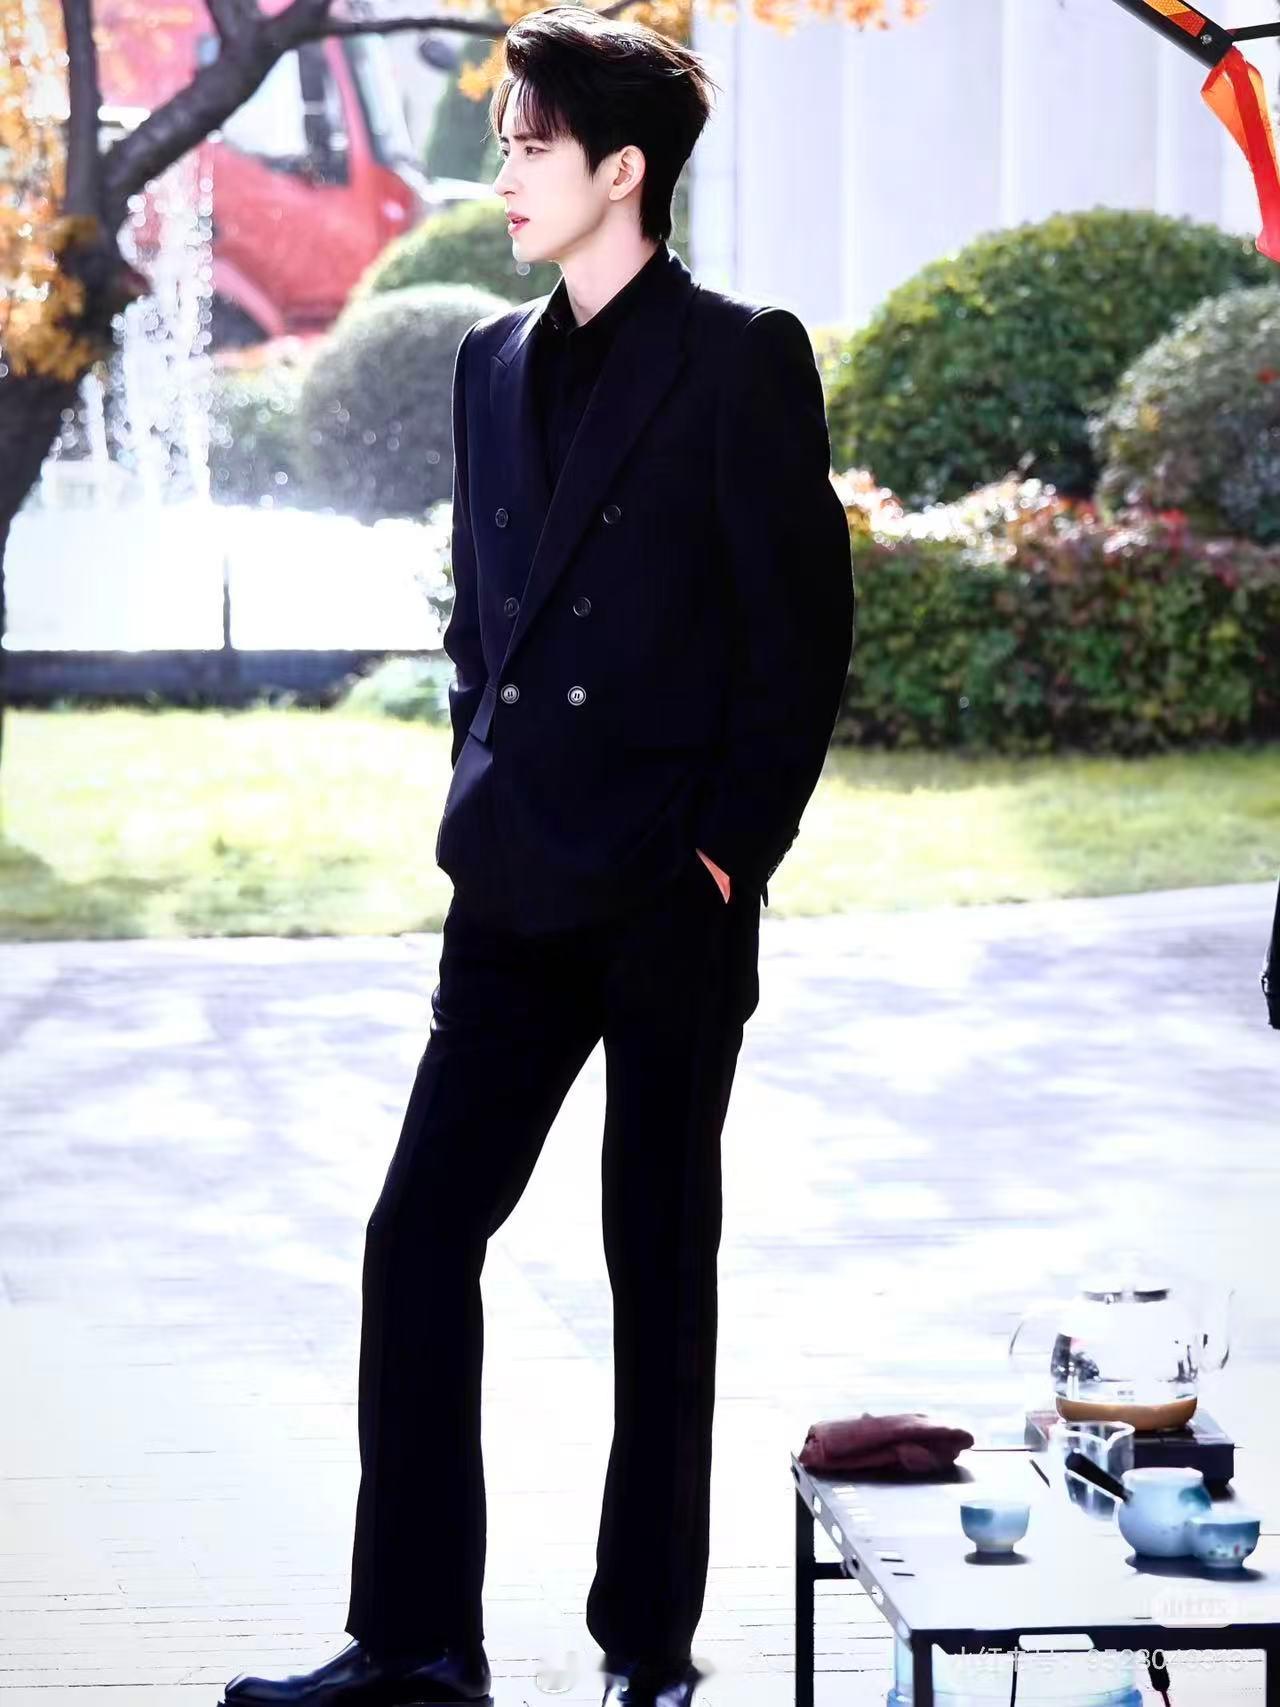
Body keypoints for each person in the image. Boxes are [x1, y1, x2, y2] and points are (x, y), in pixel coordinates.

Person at [220, 6, 855, 1705]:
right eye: (505, 143)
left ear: (622, 170)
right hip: (509, 889)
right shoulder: (485, 363)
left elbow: (800, 640)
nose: (501, 172)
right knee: (418, 1235)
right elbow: (477, 621)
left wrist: (724, 856)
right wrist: (475, 778)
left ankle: (646, 1643)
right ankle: (418, 1642)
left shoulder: (738, 357)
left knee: (658, 1268)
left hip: (664, 895)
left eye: (530, 144)